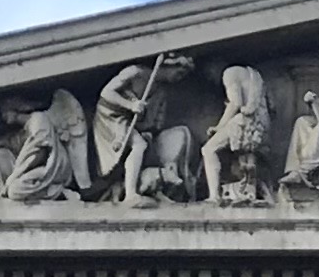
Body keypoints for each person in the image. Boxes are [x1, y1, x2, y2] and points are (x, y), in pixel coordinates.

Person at [94, 55, 199, 204]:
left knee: (146, 146)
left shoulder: (161, 92)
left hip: (130, 121)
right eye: (179, 72)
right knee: (139, 145)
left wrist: (148, 129)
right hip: (111, 116)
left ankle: (149, 189)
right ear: (168, 65)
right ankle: (130, 194)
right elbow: (106, 93)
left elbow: (155, 122)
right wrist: (130, 105)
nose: (179, 78)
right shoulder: (135, 72)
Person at [201, 65, 272, 206]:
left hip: (243, 122)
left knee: (208, 150)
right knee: (246, 162)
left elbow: (235, 103)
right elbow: (272, 106)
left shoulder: (229, 73)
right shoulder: (255, 75)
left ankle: (214, 196)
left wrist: (219, 127)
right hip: (261, 125)